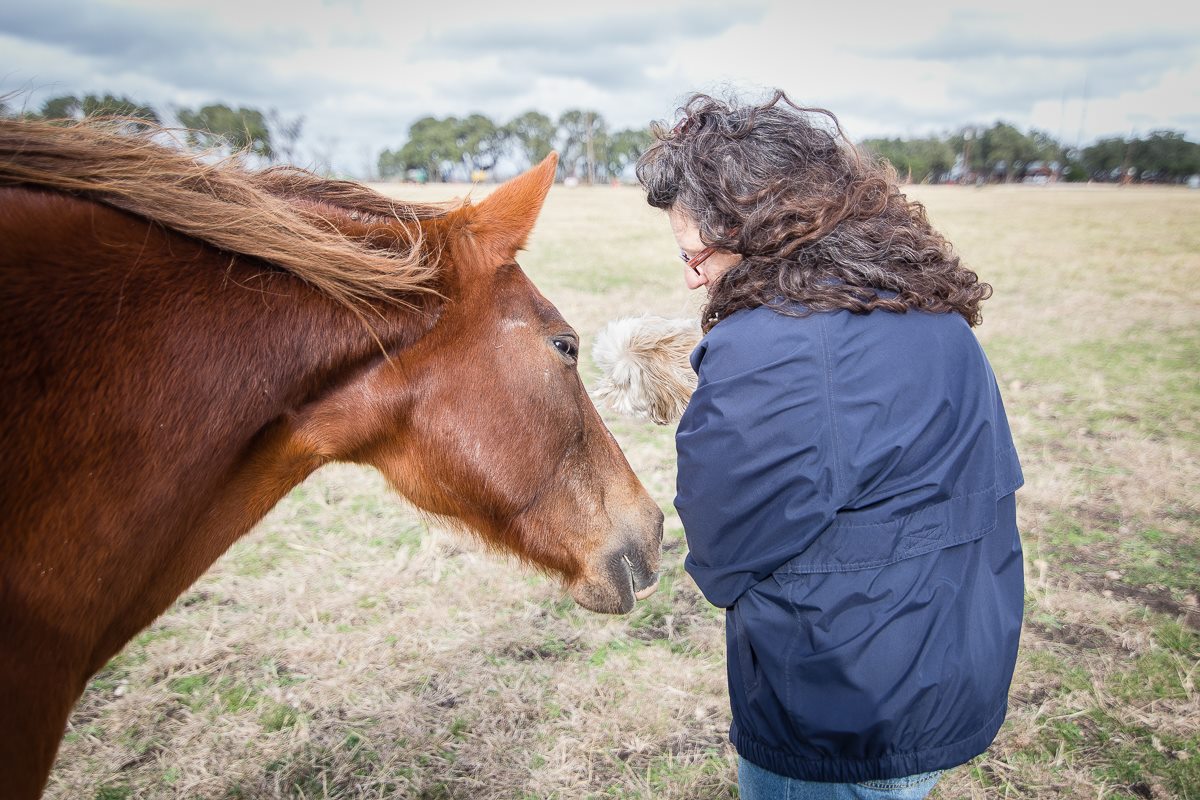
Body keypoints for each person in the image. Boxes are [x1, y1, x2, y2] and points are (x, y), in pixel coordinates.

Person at [635, 91, 1024, 799]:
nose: (691, 278)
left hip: (841, 708)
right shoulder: (924, 301)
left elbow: (723, 550)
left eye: (697, 256)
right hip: (951, 660)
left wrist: (722, 395)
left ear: (757, 231)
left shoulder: (768, 348)